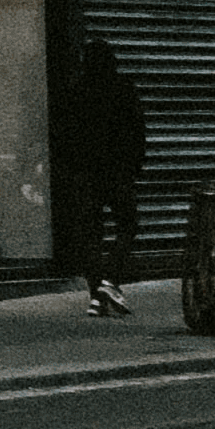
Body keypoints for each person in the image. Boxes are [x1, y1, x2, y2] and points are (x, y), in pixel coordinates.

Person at [69, 35, 148, 318]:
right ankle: (110, 282)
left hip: (86, 172)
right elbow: (137, 129)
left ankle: (96, 296)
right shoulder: (123, 87)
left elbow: (69, 134)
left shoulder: (78, 90)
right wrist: (135, 165)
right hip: (117, 171)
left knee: (91, 235)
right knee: (128, 225)